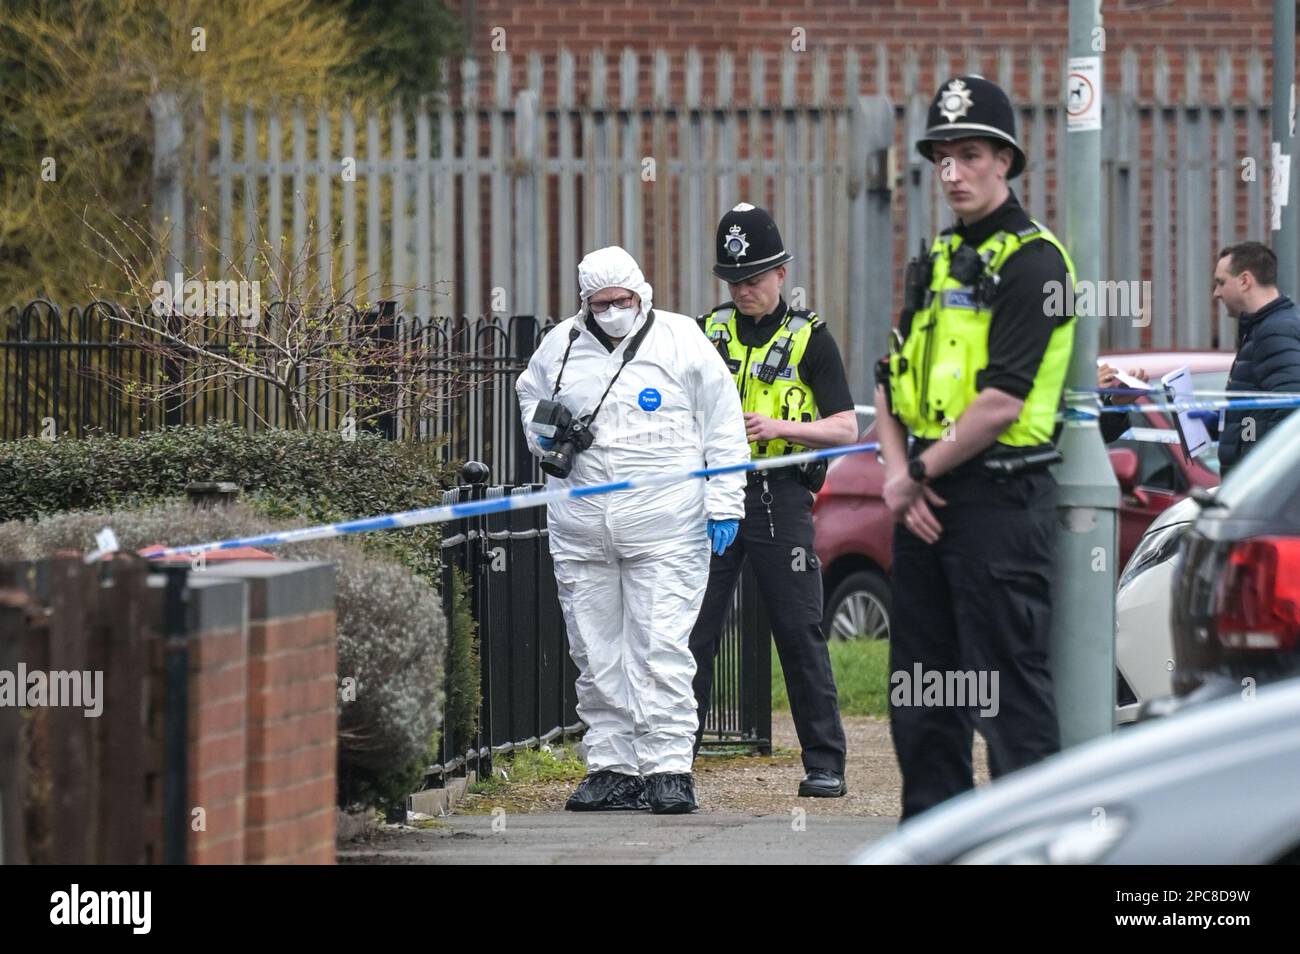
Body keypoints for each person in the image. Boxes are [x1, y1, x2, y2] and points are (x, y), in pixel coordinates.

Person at [874, 76, 1077, 820]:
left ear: (1005, 161)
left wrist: (915, 474)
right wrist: (901, 476)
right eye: (941, 158)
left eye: (968, 155)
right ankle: (935, 837)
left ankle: (1035, 841)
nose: (952, 172)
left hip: (999, 504)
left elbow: (1003, 401)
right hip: (924, 499)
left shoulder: (1034, 263)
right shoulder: (933, 262)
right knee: (925, 696)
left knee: (1011, 697)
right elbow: (889, 383)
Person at [515, 246, 750, 814]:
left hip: (668, 528)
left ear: (641, 295)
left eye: (621, 301)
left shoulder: (681, 341)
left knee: (660, 649)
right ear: (585, 304)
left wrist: (725, 502)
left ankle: (669, 767)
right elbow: (529, 399)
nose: (612, 312)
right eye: (601, 304)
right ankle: (613, 766)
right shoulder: (561, 348)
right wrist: (543, 432)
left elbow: (723, 424)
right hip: (581, 528)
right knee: (595, 654)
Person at [690, 203, 858, 798]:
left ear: (782, 273)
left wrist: (782, 430)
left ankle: (824, 762)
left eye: (755, 279)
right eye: (734, 281)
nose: (743, 291)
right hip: (713, 497)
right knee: (694, 629)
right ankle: (671, 762)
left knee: (798, 628)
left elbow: (846, 427)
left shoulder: (811, 337)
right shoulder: (704, 334)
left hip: (778, 499)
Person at [1211, 241, 1300, 475]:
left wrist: (1256, 470)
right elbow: (1256, 414)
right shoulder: (1262, 328)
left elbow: (1291, 410)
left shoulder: (1274, 331)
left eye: (1221, 282)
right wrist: (1218, 422)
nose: (1216, 293)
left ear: (1244, 281)